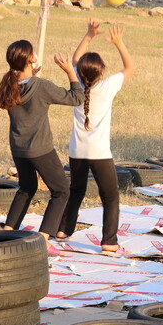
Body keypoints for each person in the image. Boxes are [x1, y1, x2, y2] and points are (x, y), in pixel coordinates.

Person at [57, 19, 136, 252]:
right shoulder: (108, 85)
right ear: (101, 71)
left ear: (80, 72)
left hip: (76, 151)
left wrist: (89, 34)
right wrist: (119, 43)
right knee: (110, 198)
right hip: (99, 153)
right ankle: (109, 241)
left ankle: (63, 230)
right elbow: (130, 68)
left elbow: (74, 61)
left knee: (76, 192)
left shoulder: (77, 84)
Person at [0, 40, 84, 241]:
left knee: (27, 188)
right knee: (61, 191)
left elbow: (26, 87)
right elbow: (77, 98)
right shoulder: (41, 86)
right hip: (41, 150)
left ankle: (7, 232)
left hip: (18, 149)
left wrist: (31, 74)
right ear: (31, 59)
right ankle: (42, 238)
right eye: (33, 53)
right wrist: (70, 71)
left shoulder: (9, 86)